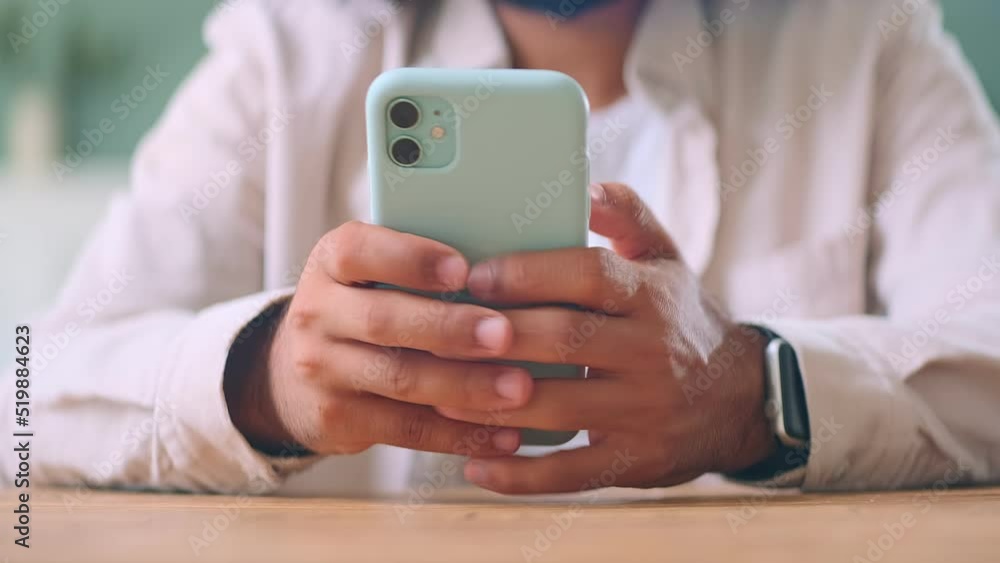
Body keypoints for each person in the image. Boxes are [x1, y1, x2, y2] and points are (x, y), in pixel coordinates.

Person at [4, 0, 999, 497]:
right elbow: (26, 392)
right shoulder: (292, 45)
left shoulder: (866, 37)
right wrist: (261, 379)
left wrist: (754, 388)